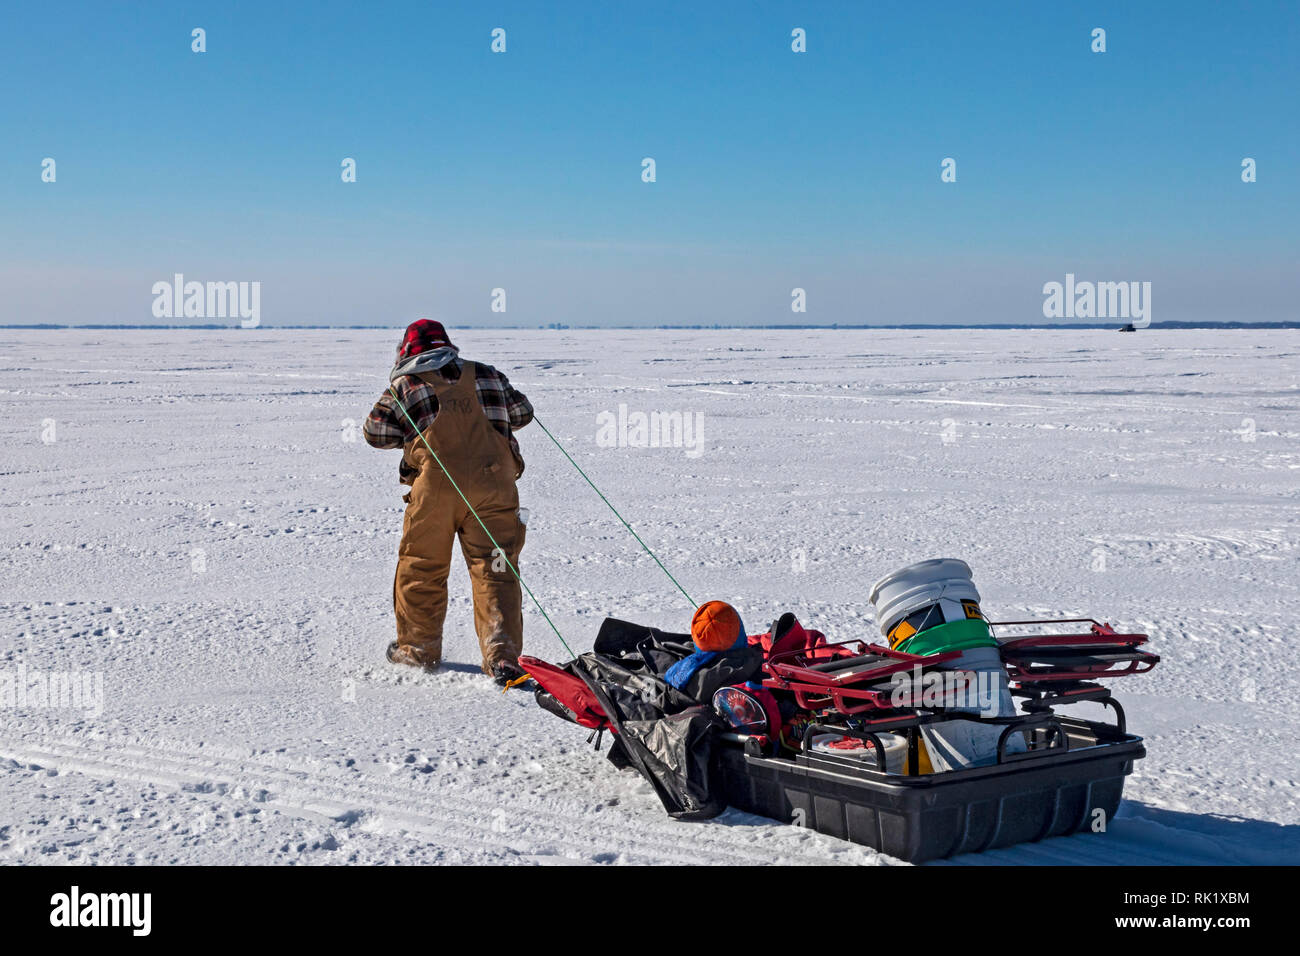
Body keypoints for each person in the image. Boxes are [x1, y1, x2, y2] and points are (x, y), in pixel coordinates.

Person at [364, 319, 533, 686]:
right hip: (495, 487)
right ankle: (503, 658)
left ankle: (418, 650)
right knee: (496, 569)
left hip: (435, 494)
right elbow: (522, 413)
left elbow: (375, 433)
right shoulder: (488, 374)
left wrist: (413, 429)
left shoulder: (405, 385)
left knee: (422, 567)